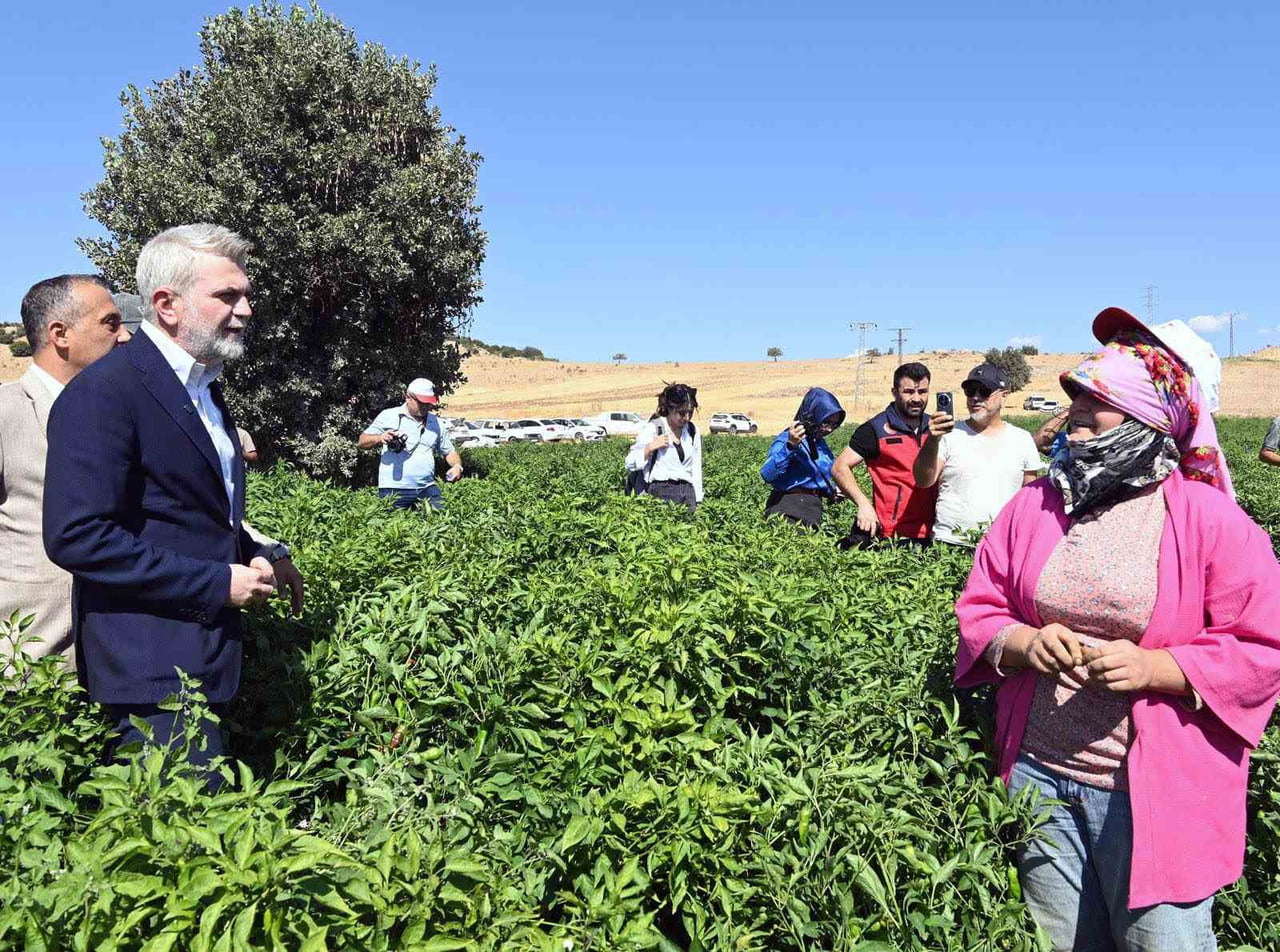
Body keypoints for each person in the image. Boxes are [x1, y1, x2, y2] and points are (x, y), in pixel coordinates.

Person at [955, 306, 1276, 949]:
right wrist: (1022, 644)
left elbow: (1263, 643)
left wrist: (1160, 668)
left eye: (1095, 399)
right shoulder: (1038, 504)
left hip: (1155, 793)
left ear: (1146, 417)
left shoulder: (1208, 520)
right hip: (1039, 777)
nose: (1075, 408)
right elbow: (982, 603)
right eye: (1076, 393)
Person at [43, 224, 304, 784]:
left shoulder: (203, 389)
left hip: (205, 655)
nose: (246, 310)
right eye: (228, 296)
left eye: (247, 295)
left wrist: (257, 551)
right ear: (166, 305)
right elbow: (77, 535)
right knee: (181, 848)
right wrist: (217, 583)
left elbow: (193, 509)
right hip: (151, 668)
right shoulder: (106, 393)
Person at [1, 275, 131, 669]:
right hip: (33, 666)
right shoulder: (7, 413)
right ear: (60, 334)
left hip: (124, 660)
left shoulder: (126, 415)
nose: (125, 336)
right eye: (110, 323)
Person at [913, 363, 1040, 545]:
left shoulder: (1022, 439)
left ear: (1004, 395)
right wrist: (932, 440)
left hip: (1001, 546)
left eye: (984, 391)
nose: (976, 398)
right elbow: (923, 480)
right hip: (950, 544)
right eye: (970, 391)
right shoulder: (949, 435)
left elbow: (1030, 498)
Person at [831, 362, 937, 546]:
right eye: (909, 391)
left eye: (922, 392)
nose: (916, 398)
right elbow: (840, 467)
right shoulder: (876, 428)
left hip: (936, 531)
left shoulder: (936, 427)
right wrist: (863, 505)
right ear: (895, 392)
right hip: (893, 535)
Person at [358, 378, 462, 511]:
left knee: (441, 521)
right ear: (408, 397)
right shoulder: (388, 416)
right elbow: (362, 441)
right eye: (421, 402)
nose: (425, 407)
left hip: (426, 487)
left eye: (428, 403)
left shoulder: (436, 423)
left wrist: (457, 466)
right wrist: (380, 438)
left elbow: (449, 451)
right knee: (392, 529)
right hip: (393, 489)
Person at [760, 387, 845, 527]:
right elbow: (767, 474)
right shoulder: (786, 439)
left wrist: (832, 491)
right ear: (813, 416)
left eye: (834, 424)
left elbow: (818, 477)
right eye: (826, 422)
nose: (829, 429)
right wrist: (790, 446)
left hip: (812, 510)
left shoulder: (819, 443)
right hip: (786, 509)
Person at [624, 383, 703, 511]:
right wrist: (650, 448)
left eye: (690, 412)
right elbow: (629, 462)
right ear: (670, 409)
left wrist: (698, 499)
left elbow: (696, 467)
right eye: (682, 413)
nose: (687, 417)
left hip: (688, 494)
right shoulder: (654, 428)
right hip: (661, 492)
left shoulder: (693, 431)